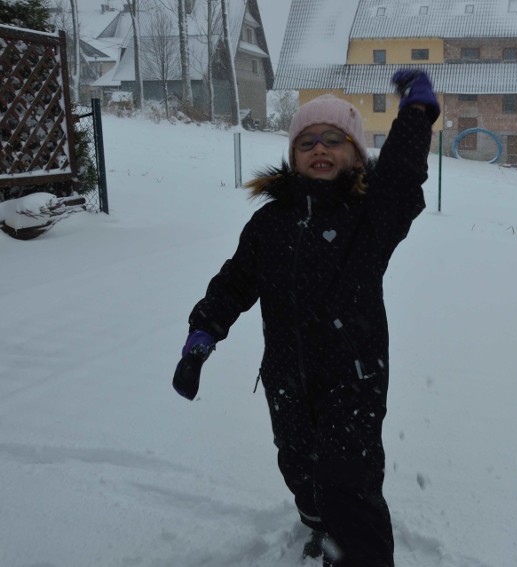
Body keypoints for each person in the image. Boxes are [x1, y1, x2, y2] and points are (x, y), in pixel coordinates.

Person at [172, 69, 440, 567]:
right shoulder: (269, 223)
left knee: (348, 482)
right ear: (293, 156)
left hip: (352, 380)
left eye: (335, 139)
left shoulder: (368, 218)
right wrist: (201, 335)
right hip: (287, 377)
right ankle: (317, 526)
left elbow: (402, 178)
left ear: (356, 155)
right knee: (298, 464)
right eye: (308, 141)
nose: (320, 148)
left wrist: (417, 113)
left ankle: (359, 554)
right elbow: (235, 282)